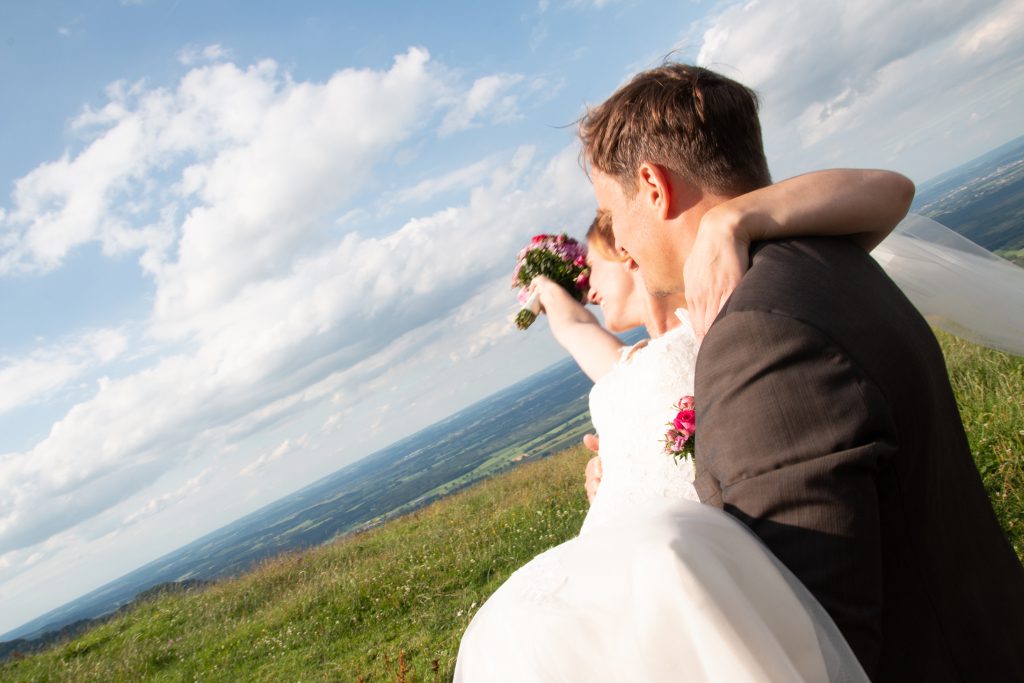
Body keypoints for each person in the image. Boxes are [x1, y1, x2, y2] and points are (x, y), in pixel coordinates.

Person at [579, 62, 1024, 681]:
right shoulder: (828, 253)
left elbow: (811, 637)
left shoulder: (757, 334)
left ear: (653, 186)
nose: (619, 243)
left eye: (612, 211)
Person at [454, 168, 914, 682]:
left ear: (627, 257)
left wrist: (729, 221)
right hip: (629, 583)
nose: (589, 289)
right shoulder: (625, 363)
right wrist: (542, 281)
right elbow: (575, 324)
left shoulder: (713, 322)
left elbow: (890, 192)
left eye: (594, 271)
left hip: (689, 574)